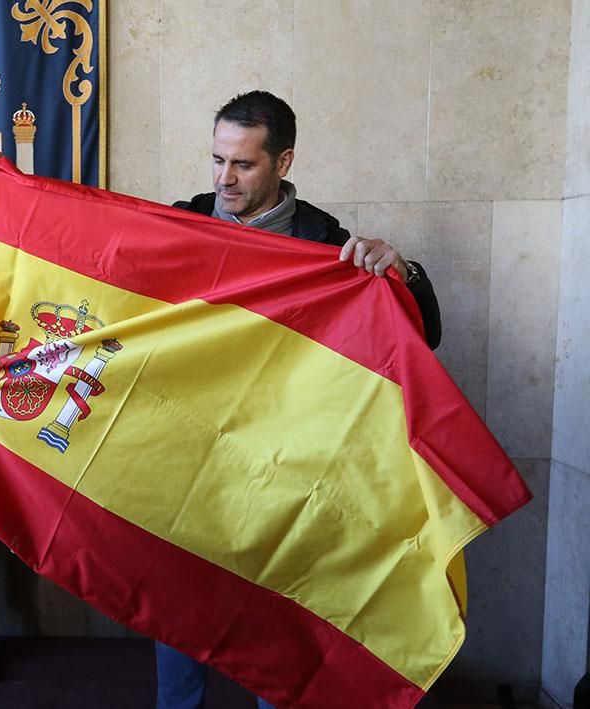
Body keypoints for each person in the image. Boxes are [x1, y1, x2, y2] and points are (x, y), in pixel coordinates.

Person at [156, 90, 442, 709]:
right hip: (192, 448)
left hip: (281, 460)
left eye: (243, 165)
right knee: (181, 598)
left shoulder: (326, 242)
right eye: (217, 160)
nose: (223, 179)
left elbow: (426, 334)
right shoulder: (181, 221)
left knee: (282, 609)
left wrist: (403, 273)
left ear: (283, 163)